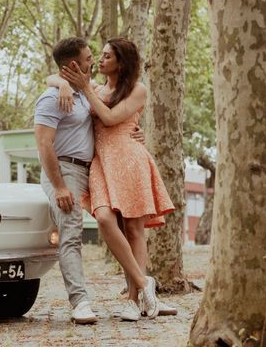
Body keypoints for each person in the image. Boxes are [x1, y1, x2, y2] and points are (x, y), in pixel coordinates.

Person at [53, 37, 175, 322]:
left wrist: (84, 88)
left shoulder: (137, 89)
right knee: (105, 219)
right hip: (101, 161)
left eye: (107, 56)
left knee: (134, 229)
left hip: (129, 157)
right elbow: (56, 74)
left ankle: (133, 301)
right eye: (100, 55)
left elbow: (109, 118)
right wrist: (62, 84)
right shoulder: (94, 86)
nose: (100, 60)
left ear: (122, 61)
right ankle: (146, 284)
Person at [34, 37, 147, 324]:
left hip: (94, 168)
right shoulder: (51, 98)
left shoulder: (85, 92)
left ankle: (139, 293)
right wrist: (59, 185)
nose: (93, 61)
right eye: (88, 58)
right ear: (73, 64)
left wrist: (135, 131)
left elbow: (111, 116)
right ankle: (80, 302)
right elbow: (44, 145)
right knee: (71, 232)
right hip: (65, 172)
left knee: (124, 225)